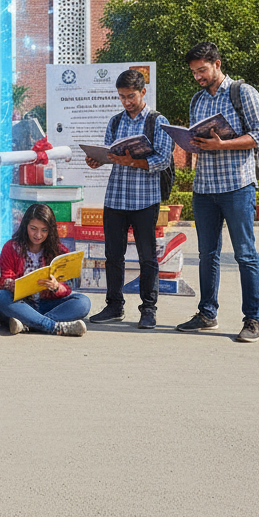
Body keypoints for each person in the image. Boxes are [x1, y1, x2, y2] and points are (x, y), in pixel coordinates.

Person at [177, 42, 259, 343]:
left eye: (202, 70)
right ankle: (207, 314)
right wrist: (190, 143)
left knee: (245, 254)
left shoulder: (243, 93)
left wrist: (222, 145)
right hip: (204, 188)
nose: (198, 77)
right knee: (207, 254)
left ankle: (253, 319)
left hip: (238, 186)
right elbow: (197, 139)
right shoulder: (197, 100)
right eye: (194, 72)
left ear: (217, 64)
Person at [84, 68, 174, 329]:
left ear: (143, 92)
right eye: (122, 97)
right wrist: (97, 160)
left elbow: (163, 160)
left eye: (131, 96)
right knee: (113, 255)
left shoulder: (157, 121)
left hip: (145, 199)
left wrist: (133, 161)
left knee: (147, 257)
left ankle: (148, 309)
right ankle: (114, 305)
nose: (126, 102)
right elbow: (109, 153)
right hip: (115, 198)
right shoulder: (115, 122)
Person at [0, 203, 91, 336]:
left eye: (44, 230)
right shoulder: (11, 247)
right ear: (25, 226)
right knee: (1, 297)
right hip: (21, 304)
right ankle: (53, 326)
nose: (38, 235)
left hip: (48, 304)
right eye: (33, 229)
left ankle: (31, 324)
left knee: (83, 302)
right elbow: (4, 281)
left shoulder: (59, 251)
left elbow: (68, 287)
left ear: (50, 230)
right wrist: (22, 286)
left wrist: (56, 287)